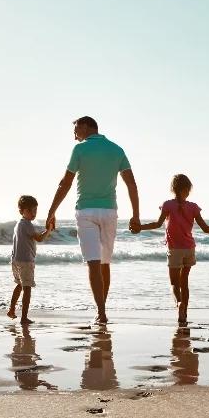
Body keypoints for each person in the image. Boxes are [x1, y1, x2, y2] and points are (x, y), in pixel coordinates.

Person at [45, 116, 140, 323]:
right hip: (109, 212)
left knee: (94, 264)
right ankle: (102, 311)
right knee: (104, 264)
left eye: (77, 128)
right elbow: (131, 184)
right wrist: (136, 215)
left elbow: (65, 183)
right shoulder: (117, 149)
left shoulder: (80, 150)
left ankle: (101, 312)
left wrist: (52, 211)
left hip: (86, 211)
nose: (74, 133)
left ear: (88, 126)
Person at [136, 174, 209, 322]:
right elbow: (205, 228)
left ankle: (179, 303)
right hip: (189, 248)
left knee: (174, 283)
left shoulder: (168, 205)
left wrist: (139, 227)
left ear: (173, 189)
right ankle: (184, 312)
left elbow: (157, 224)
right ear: (188, 189)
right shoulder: (193, 207)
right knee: (184, 282)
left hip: (174, 250)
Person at [8, 195, 51, 324]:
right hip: (25, 261)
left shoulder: (18, 224)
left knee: (19, 285)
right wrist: (48, 230)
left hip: (15, 260)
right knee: (27, 288)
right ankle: (24, 317)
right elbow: (39, 238)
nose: (33, 213)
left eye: (35, 210)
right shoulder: (27, 224)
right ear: (22, 211)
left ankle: (11, 310)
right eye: (30, 210)